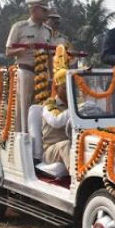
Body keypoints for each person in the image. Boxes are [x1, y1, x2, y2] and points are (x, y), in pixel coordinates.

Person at [5, 0, 51, 133]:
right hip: (25, 70)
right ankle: (22, 137)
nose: (47, 14)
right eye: (44, 11)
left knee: (41, 107)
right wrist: (23, 48)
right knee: (23, 107)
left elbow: (49, 54)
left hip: (42, 73)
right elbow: (8, 52)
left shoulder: (47, 30)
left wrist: (51, 77)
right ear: (34, 10)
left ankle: (37, 137)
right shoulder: (19, 27)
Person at [39, 45, 71, 175]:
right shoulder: (49, 104)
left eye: (70, 87)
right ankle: (77, 179)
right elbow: (56, 121)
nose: (68, 91)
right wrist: (75, 110)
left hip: (69, 145)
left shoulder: (73, 104)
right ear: (57, 89)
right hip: (50, 151)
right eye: (64, 87)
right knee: (66, 144)